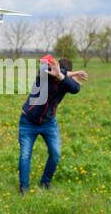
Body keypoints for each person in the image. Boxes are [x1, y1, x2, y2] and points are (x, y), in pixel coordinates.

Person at [18, 57, 88, 194]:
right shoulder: (44, 74)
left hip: (49, 123)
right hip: (28, 122)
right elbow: (44, 63)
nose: (57, 75)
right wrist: (67, 73)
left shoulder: (65, 82)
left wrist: (64, 76)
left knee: (55, 154)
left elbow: (76, 89)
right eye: (56, 70)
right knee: (25, 155)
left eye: (60, 73)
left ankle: (45, 182)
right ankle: (24, 188)